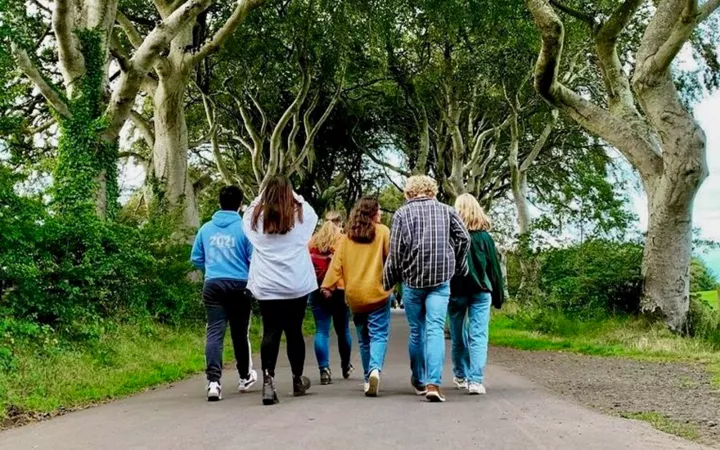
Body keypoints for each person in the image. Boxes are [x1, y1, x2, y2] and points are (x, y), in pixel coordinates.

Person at [383, 175, 470, 402]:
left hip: (412, 281)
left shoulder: (402, 214)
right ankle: (434, 383)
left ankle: (419, 380)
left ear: (408, 193)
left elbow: (396, 252)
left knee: (416, 331)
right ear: (433, 191)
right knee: (435, 330)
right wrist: (457, 263)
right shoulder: (448, 211)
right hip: (441, 280)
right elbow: (464, 238)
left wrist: (390, 280)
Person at [243, 176, 318, 405]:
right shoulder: (302, 217)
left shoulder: (255, 219)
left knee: (271, 331)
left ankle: (268, 381)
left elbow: (249, 210)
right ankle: (297, 379)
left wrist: (262, 195)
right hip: (296, 283)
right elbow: (309, 209)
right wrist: (294, 195)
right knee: (294, 331)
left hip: (267, 284)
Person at [191, 185, 256, 401]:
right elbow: (253, 259)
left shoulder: (206, 229)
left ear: (220, 203)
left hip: (213, 285)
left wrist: (210, 270)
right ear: (240, 205)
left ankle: (213, 383)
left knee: (215, 332)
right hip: (239, 285)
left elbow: (196, 258)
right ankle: (245, 376)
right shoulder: (245, 229)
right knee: (240, 333)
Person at [322, 198, 391, 397]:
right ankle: (374, 370)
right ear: (372, 214)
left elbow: (336, 265)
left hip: (354, 295)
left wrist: (328, 286)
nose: (381, 215)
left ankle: (366, 378)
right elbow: (391, 259)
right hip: (377, 292)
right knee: (378, 334)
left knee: (363, 338)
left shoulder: (346, 238)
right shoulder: (383, 232)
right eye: (378, 211)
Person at [449, 194, 504, 395]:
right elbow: (494, 270)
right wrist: (499, 296)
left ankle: (461, 375)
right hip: (481, 291)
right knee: (478, 335)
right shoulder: (485, 238)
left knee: (457, 335)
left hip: (456, 292)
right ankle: (475, 380)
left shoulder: (451, 236)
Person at [308, 211, 353, 385]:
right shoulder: (344, 240)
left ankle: (324, 369)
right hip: (340, 290)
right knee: (343, 332)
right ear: (340, 223)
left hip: (318, 290)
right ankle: (345, 365)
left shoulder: (312, 241)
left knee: (321, 331)